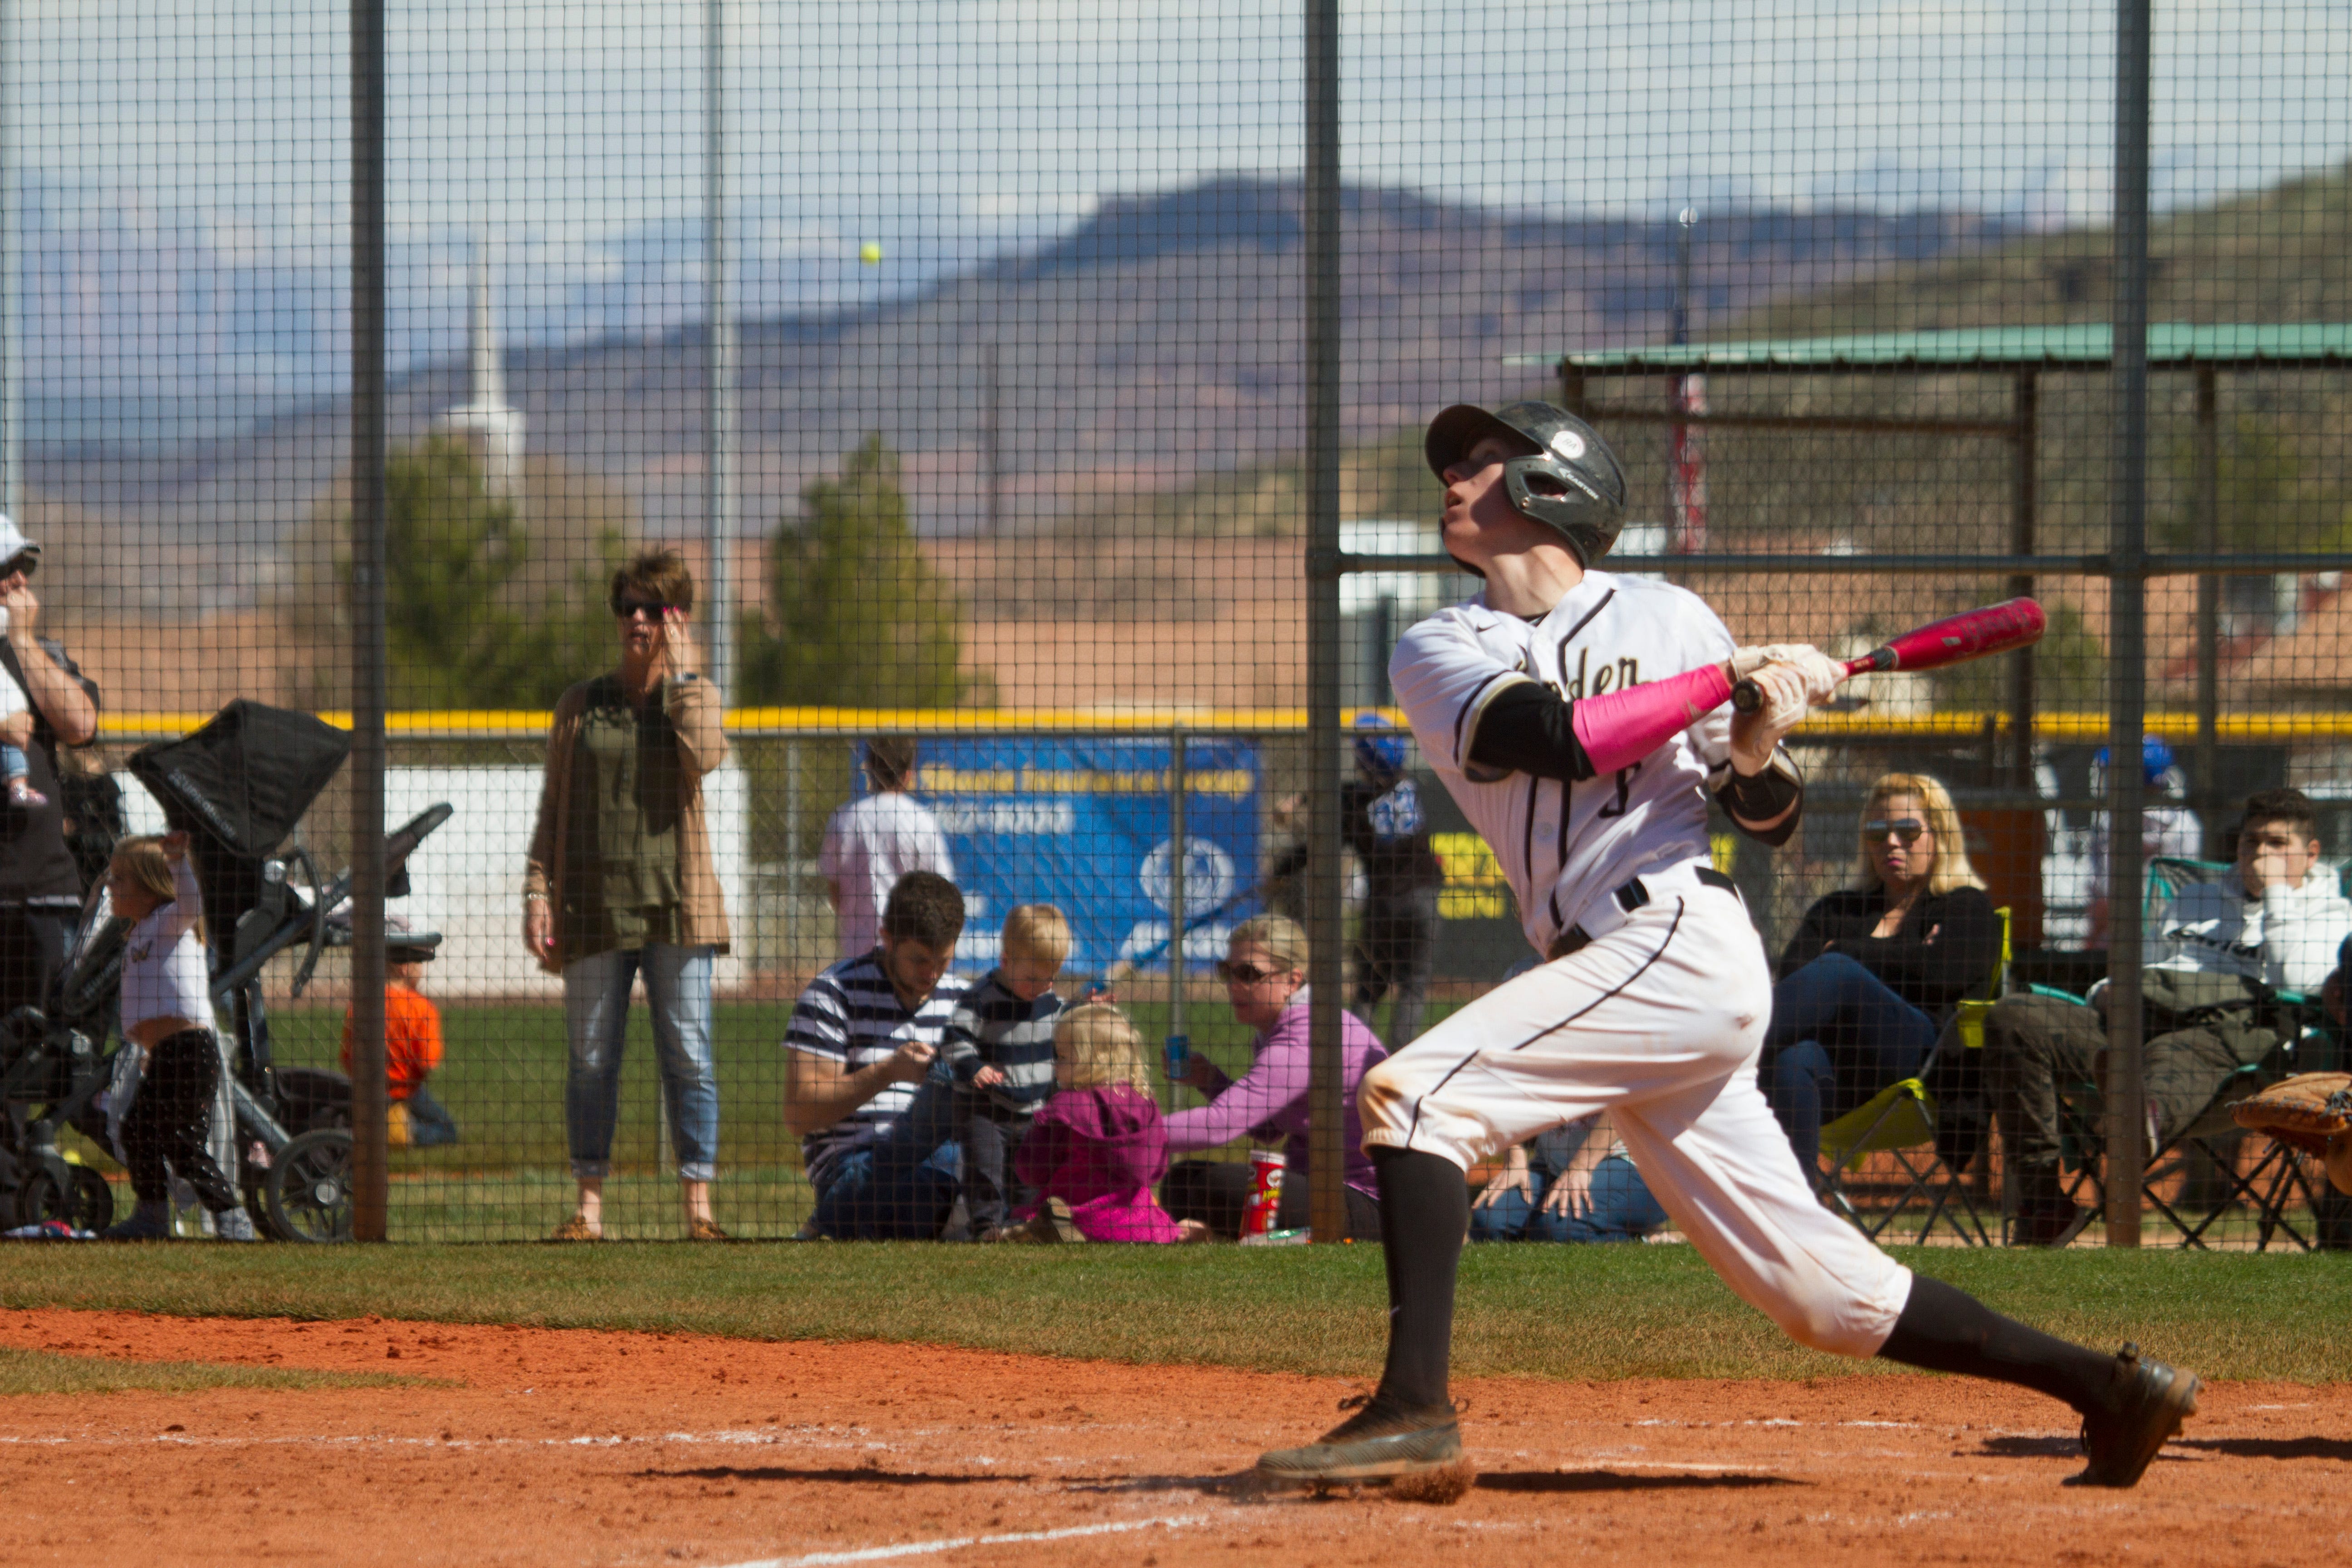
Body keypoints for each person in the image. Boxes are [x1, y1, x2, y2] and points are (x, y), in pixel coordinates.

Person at [1254, 400, 2197, 1491]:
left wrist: (1753, 744)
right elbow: (1553, 737)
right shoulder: (1442, 645)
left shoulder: (1667, 617)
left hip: (1672, 936)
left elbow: (1766, 815)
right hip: (1611, 966)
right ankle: (2110, 1389)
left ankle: (1413, 1410)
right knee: (1824, 1297)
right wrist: (1725, 678)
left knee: (1414, 1096)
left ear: (1552, 485)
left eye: (1480, 462)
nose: (1452, 480)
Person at [1980, 787, 2352, 1246]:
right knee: (2015, 1016)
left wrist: (2277, 893)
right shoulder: (2194, 898)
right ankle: (2044, 1204)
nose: (2260, 854)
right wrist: (2104, 993)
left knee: (2187, 1044)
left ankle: (2139, 1119)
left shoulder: (2334, 914)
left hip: (2239, 1048)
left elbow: (2296, 982)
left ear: (2311, 854)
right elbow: (2148, 969)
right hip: (2139, 1025)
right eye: (2251, 841)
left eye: (2277, 844)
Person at [524, 548, 732, 1242]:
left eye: (653, 608)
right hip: (594, 909)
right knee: (590, 1060)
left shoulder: (695, 696)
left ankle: (699, 1209)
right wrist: (537, 891)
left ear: (678, 617)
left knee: (690, 1056)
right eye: (627, 607)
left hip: (678, 909)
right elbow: (553, 808)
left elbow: (705, 755)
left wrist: (687, 673)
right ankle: (588, 1209)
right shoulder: (581, 705)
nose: (638, 620)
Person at [1759, 773, 1999, 1175]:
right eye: (1877, 833)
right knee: (1794, 1059)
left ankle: (1718, 1053)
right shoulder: (1837, 910)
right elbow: (1795, 979)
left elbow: (1942, 973)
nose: (1891, 842)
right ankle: (1794, 1204)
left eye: (1908, 831)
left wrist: (1848, 952)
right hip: (1843, 1073)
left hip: (1919, 1062)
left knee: (1838, 971)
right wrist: (1907, 958)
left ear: (1940, 835)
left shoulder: (1965, 906)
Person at [1160, 915, 1389, 1241]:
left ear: (1292, 981)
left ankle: (1261, 1235)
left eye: (1249, 974)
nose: (1234, 985)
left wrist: (1130, 1134)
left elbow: (1222, 1123)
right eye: (1227, 971)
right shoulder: (1279, 1029)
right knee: (1182, 1181)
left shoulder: (1305, 1035)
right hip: (1323, 1187)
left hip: (1367, 1203)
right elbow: (1269, 1131)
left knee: (1214, 1185)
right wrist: (1210, 1080)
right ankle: (1254, 1235)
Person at [786, 870, 969, 1239]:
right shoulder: (833, 993)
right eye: (919, 960)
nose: (931, 973)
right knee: (928, 1178)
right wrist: (888, 1072)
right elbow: (800, 1113)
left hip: (945, 1159)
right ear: (886, 938)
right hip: (859, 1164)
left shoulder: (965, 1002)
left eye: (943, 960)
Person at [872, 903, 1071, 1241]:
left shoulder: (1052, 1003)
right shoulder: (982, 998)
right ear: (1006, 961)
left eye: (1050, 978)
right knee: (986, 1172)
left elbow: (1069, 1030)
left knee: (1029, 1174)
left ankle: (1025, 1225)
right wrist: (974, 1068)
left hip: (1033, 1111)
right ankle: (987, 1228)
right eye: (1033, 979)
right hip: (986, 1110)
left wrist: (1087, 1011)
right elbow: (954, 1038)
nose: (1041, 986)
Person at [98, 834, 254, 1241]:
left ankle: (232, 1218)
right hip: (164, 1054)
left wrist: (177, 860)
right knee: (138, 1131)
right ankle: (152, 1216)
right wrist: (149, 1050)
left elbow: (191, 903)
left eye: (120, 879)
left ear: (151, 886)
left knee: (181, 1139)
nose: (110, 885)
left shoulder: (171, 921)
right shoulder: (138, 934)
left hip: (190, 1051)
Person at [1268, 714, 1447, 1045]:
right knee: (1413, 987)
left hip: (1384, 906)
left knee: (1370, 988)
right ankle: (1397, 1059)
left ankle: (1352, 1055)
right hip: (1424, 898)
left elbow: (1315, 846)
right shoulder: (1415, 787)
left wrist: (1280, 872)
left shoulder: (1353, 803)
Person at [0, 515, 100, 1024]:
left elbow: (81, 725)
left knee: (51, 1048)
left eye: (25, 567)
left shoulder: (44, 655)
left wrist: (22, 641)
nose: (19, 580)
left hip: (43, 891)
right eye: (6, 569)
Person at [1009, 1003, 1206, 1243]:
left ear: (1088, 1060)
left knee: (1039, 1217)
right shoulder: (1145, 1102)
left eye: (1062, 1057)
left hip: (1076, 1211)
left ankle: (1047, 1229)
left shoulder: (1067, 1106)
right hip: (1135, 1222)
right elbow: (1155, 1164)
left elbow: (1033, 1169)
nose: (1055, 1064)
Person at [819, 736, 955, 962]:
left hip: (857, 948)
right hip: (908, 951)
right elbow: (941, 888)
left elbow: (835, 890)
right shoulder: (921, 821)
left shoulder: (845, 819)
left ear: (869, 769)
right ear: (908, 775)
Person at [339, 916, 458, 1149]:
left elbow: (348, 1058)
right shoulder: (422, 1008)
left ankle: (375, 1128)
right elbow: (427, 1061)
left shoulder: (360, 1005)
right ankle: (403, 1133)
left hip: (368, 1090)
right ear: (405, 967)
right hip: (405, 1089)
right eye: (419, 963)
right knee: (446, 1130)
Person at [1468, 1111, 1667, 1244]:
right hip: (1554, 1165)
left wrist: (1581, 1166)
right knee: (1489, 1221)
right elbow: (1511, 1088)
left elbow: (1624, 1100)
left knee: (1558, 1228)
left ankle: (1642, 1238)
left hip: (1635, 1165)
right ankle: (1616, 1225)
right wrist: (1515, 1160)